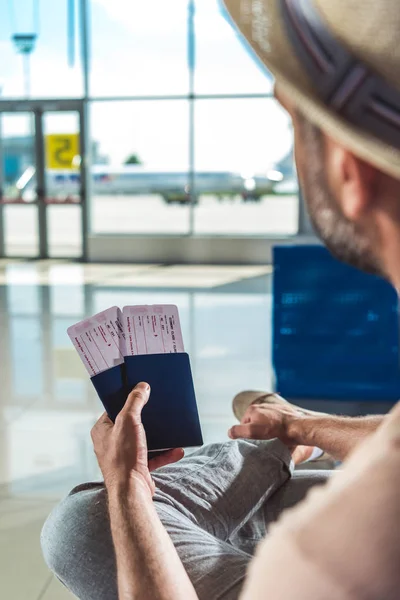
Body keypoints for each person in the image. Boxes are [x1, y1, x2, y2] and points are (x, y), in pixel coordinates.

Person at [41, 0, 400, 598]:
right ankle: (281, 438)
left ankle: (273, 450)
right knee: (266, 483)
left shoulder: (324, 568)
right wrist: (297, 420)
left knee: (84, 525)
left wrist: (127, 484)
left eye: (294, 120)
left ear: (350, 171)